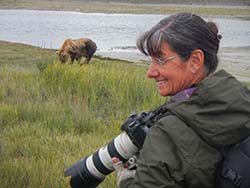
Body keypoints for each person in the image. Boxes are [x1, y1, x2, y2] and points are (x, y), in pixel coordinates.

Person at [112, 12, 250, 188]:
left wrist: (129, 181)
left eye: (161, 60)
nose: (150, 72)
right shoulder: (242, 100)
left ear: (195, 61)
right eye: (151, 60)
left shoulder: (167, 132)